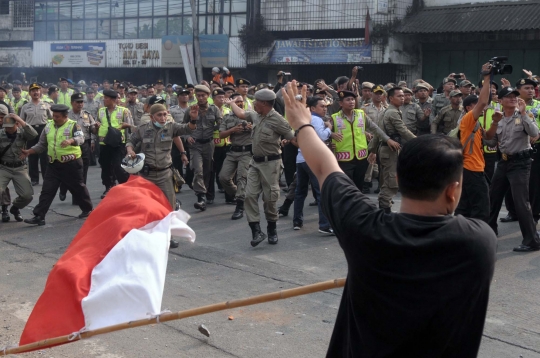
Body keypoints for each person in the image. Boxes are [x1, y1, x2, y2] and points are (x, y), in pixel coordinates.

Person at [281, 81, 496, 358]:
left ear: (398, 179)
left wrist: (302, 123)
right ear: (453, 191)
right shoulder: (480, 240)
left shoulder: (365, 227)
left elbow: (325, 166)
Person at [228, 89, 293, 247]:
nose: (253, 104)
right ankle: (256, 231)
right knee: (249, 195)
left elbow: (292, 136)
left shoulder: (278, 120)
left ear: (264, 103)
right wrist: (231, 103)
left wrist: (287, 142)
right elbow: (242, 114)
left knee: (269, 199)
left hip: (271, 164)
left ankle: (272, 229)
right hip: (255, 163)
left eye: (256, 101)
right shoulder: (255, 115)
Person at [126, 103, 196, 248]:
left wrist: (193, 119)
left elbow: (187, 128)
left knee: (168, 208)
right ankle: (147, 235)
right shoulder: (143, 129)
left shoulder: (171, 127)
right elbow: (130, 141)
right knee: (145, 206)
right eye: (159, 115)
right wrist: (130, 150)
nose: (163, 117)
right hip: (147, 174)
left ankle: (168, 237)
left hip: (165, 173)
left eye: (165, 114)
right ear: (152, 117)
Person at [20, 104, 93, 225]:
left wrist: (71, 140)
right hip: (54, 165)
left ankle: (88, 210)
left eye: (57, 116)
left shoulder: (73, 125)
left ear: (65, 116)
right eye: (53, 115)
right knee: (47, 191)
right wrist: (29, 151)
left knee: (78, 188)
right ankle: (39, 216)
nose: (54, 118)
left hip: (71, 164)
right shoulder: (48, 126)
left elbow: (81, 138)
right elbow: (41, 144)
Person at [487, 86, 540, 252]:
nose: (513, 99)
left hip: (520, 163)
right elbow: (490, 142)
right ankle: (489, 232)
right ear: (500, 101)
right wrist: (492, 125)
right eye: (508, 97)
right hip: (503, 162)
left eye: (515, 96)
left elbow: (534, 132)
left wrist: (524, 113)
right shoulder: (498, 118)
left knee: (521, 202)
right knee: (493, 197)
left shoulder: (524, 116)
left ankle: (532, 241)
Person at [454, 63, 498, 223]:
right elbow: (482, 102)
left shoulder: (476, 124)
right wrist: (487, 78)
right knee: (481, 209)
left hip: (470, 169)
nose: (483, 107)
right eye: (476, 105)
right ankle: (477, 241)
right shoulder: (467, 120)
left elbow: (489, 138)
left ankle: (460, 237)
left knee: (463, 208)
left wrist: (495, 122)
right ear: (468, 108)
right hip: (471, 169)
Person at [332, 90, 398, 191]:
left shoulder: (361, 114)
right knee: (346, 187)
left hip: (361, 157)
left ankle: (355, 205)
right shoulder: (334, 118)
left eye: (353, 99)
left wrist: (387, 139)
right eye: (348, 100)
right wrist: (330, 139)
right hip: (343, 159)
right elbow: (323, 133)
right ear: (341, 103)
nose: (351, 102)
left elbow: (375, 128)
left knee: (358, 186)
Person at [292, 96, 333, 234]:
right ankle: (324, 225)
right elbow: (321, 136)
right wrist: (329, 128)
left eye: (326, 106)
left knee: (300, 192)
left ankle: (297, 221)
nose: (325, 108)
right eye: (322, 106)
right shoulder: (316, 119)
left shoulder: (303, 119)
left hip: (301, 158)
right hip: (312, 160)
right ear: (313, 108)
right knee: (321, 192)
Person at [501, 78, 540, 223]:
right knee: (510, 182)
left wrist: (537, 134)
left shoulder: (538, 105)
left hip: (534, 147)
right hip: (512, 147)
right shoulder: (511, 105)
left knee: (534, 183)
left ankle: (534, 214)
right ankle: (513, 212)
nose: (530, 90)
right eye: (527, 88)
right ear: (518, 90)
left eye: (532, 88)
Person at [375, 87, 416, 213]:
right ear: (391, 98)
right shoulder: (392, 112)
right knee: (391, 182)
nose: (402, 98)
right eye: (399, 96)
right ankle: (385, 211)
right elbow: (403, 130)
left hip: (389, 149)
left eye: (403, 95)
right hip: (389, 150)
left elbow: (379, 132)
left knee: (387, 179)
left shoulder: (390, 110)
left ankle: (385, 205)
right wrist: (419, 141)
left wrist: (372, 150)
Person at [183, 85, 222, 210]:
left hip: (209, 144)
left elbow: (221, 124)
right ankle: (201, 197)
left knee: (207, 170)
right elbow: (183, 127)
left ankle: (207, 194)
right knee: (197, 169)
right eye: (198, 95)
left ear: (208, 96)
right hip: (195, 144)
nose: (200, 98)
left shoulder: (214, 109)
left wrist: (214, 130)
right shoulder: (190, 109)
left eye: (203, 95)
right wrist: (187, 136)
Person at [220, 94, 253, 220]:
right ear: (232, 103)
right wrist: (233, 130)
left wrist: (251, 128)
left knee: (241, 178)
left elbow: (260, 128)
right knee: (223, 177)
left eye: (241, 101)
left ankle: (239, 206)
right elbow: (221, 135)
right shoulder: (227, 117)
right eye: (236, 101)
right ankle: (241, 196)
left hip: (247, 152)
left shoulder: (251, 114)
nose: (239, 103)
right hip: (233, 151)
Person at [58, 93, 96, 203]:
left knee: (83, 172)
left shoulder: (87, 115)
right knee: (68, 171)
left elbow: (93, 130)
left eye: (81, 102)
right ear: (72, 103)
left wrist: (96, 130)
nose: (80, 104)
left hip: (84, 145)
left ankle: (78, 197)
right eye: (77, 102)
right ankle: (64, 187)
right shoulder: (66, 115)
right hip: (69, 145)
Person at [0, 111, 37, 222]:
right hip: (4, 168)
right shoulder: (1, 133)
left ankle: (15, 208)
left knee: (27, 195)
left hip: (20, 168)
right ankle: (4, 210)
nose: (8, 129)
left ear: (17, 124)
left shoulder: (22, 133)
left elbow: (34, 134)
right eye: (6, 127)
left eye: (11, 127)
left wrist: (21, 121)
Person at [96, 89, 133, 199]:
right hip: (104, 142)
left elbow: (130, 125)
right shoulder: (101, 111)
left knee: (119, 166)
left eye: (106, 98)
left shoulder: (124, 111)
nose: (104, 100)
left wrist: (123, 126)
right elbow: (97, 125)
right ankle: (109, 187)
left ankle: (124, 187)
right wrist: (95, 127)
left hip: (118, 143)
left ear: (113, 100)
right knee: (105, 166)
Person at [20, 83, 53, 186]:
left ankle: (46, 177)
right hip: (30, 131)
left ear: (41, 92)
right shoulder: (25, 106)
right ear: (29, 93)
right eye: (33, 91)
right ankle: (34, 178)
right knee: (32, 155)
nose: (35, 92)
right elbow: (21, 121)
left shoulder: (47, 105)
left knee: (44, 156)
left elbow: (52, 119)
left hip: (43, 130)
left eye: (37, 90)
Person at [210, 88, 233, 203]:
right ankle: (210, 195)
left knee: (225, 169)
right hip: (213, 144)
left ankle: (223, 187)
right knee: (211, 170)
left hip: (227, 143)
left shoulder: (227, 111)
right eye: (219, 97)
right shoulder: (209, 110)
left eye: (223, 97)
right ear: (213, 99)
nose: (222, 99)